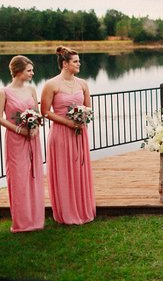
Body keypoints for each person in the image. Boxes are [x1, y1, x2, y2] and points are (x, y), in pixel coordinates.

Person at [41, 46, 96, 225]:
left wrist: (82, 119)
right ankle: (66, 211)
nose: (79, 64)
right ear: (65, 64)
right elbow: (45, 112)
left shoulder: (83, 84)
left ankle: (82, 208)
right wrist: (68, 123)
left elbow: (89, 109)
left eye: (79, 61)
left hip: (80, 133)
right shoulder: (51, 84)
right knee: (64, 171)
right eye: (75, 61)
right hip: (61, 133)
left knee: (79, 170)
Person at [0, 56, 45, 232]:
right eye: (29, 70)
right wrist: (19, 130)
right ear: (18, 72)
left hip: (33, 138)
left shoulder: (32, 89)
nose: (32, 73)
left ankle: (36, 219)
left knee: (34, 176)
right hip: (15, 139)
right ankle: (21, 222)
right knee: (19, 178)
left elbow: (36, 112)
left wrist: (35, 127)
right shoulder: (4, 92)